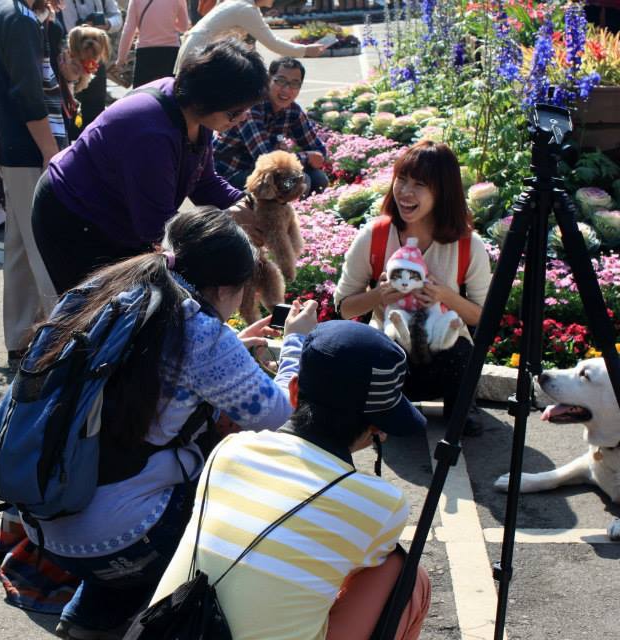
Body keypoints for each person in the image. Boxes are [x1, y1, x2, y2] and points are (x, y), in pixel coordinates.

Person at [24, 208, 319, 640]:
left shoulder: (115, 288)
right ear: (224, 289)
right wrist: (296, 342)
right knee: (228, 485)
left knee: (143, 478)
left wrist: (232, 349)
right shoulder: (200, 334)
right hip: (115, 539)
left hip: (43, 513)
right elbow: (278, 417)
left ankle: (91, 616)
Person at [151, 320, 432, 640]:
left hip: (172, 627)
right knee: (408, 577)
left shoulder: (230, 450)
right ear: (377, 427)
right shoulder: (381, 503)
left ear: (295, 390)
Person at [32, 38, 266, 296]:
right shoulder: (150, 132)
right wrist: (226, 221)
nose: (242, 118)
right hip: (73, 216)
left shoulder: (194, 114)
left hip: (117, 214)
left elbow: (205, 182)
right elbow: (158, 228)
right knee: (94, 317)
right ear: (208, 98)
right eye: (235, 112)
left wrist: (253, 207)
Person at [333, 140, 492, 434]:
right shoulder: (375, 235)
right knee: (375, 355)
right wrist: (378, 296)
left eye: (419, 184)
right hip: (389, 358)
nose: (405, 192)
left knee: (460, 349)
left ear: (442, 192)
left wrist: (444, 296)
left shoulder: (468, 245)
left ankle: (459, 408)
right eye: (401, 179)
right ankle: (387, 407)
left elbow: (484, 317)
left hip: (445, 361)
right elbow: (342, 307)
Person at [0, 0, 66, 366]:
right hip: (32, 149)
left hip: (16, 146)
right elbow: (28, 93)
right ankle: (63, 342)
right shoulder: (18, 18)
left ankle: (21, 336)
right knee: (47, 246)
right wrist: (51, 151)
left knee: (19, 246)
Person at [213, 56, 329, 193]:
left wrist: (308, 156)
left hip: (261, 173)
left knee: (318, 179)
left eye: (294, 84)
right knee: (298, 181)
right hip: (228, 176)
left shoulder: (293, 111)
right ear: (268, 80)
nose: (286, 89)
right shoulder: (252, 107)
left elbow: (318, 151)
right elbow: (267, 159)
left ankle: (300, 211)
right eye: (281, 81)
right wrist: (305, 157)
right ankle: (275, 212)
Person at [173, 0, 323, 73]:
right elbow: (272, 42)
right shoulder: (246, 9)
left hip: (199, 50)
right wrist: (306, 50)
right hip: (200, 53)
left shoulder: (244, 4)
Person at [57, 0, 121, 136]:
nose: (90, 42)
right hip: (72, 60)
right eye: (87, 39)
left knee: (96, 109)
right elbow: (66, 27)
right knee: (71, 109)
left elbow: (118, 18)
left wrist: (107, 24)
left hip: (96, 63)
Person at [115, 0, 189, 88]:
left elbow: (129, 30)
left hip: (145, 52)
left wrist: (121, 58)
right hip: (171, 52)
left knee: (142, 93)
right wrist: (167, 22)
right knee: (167, 92)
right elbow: (184, 27)